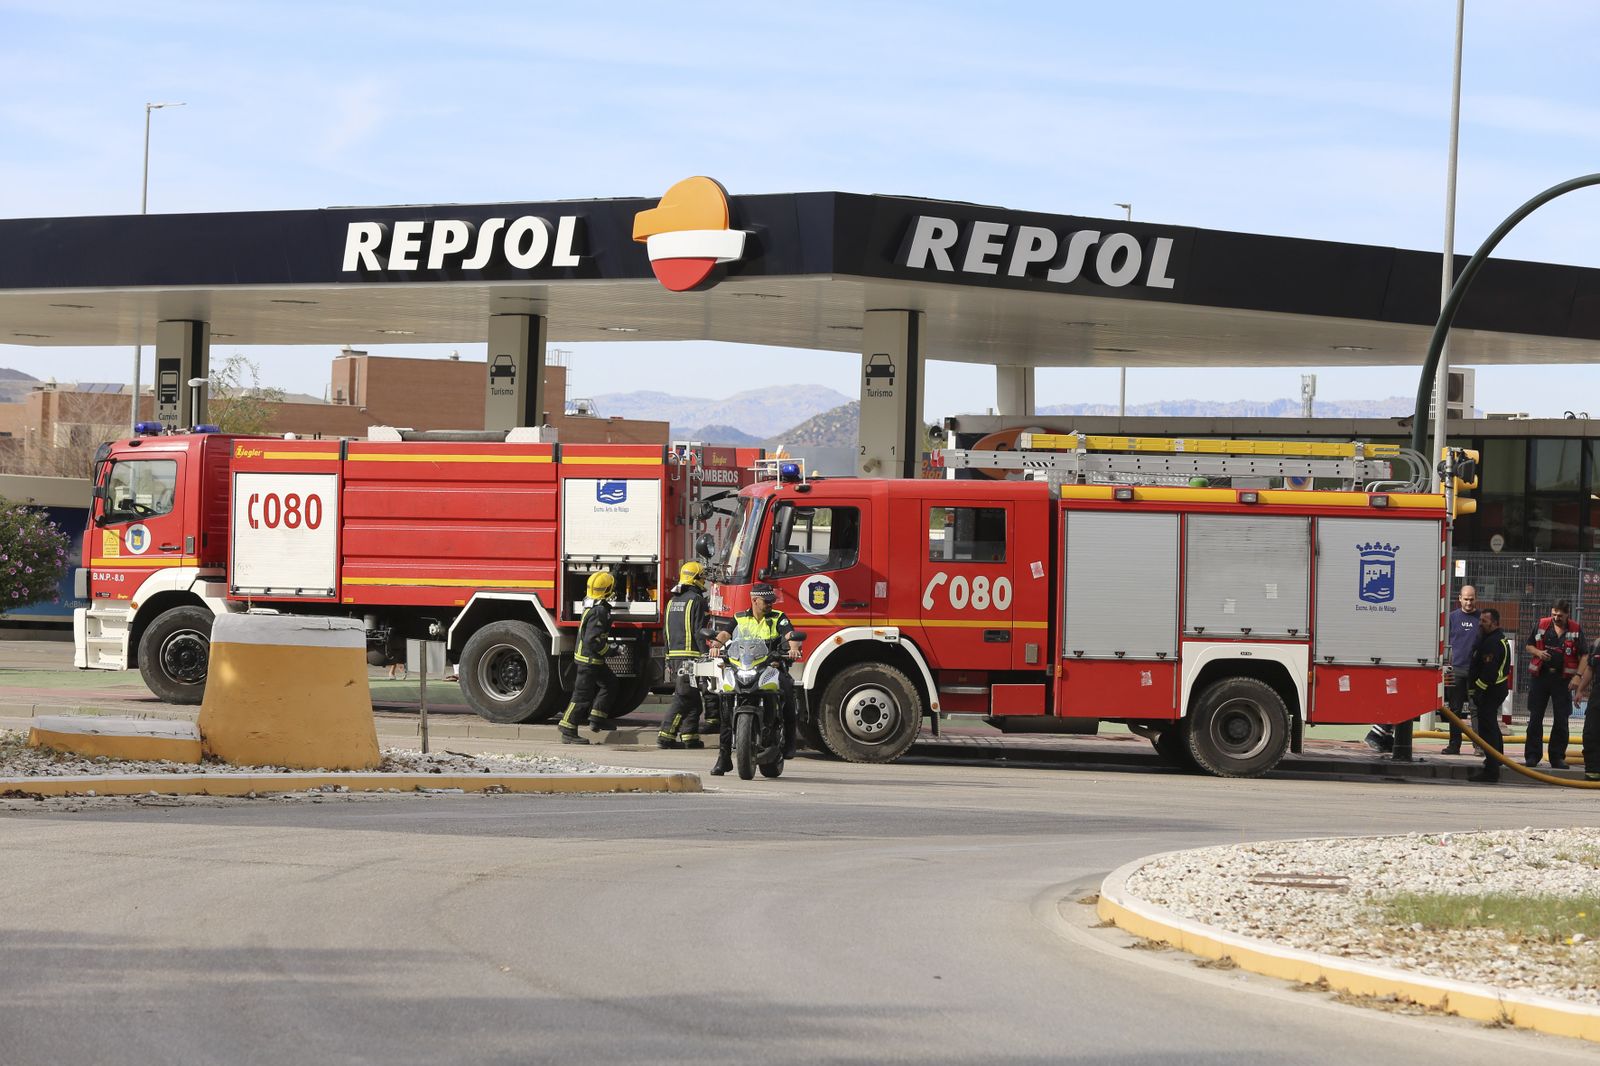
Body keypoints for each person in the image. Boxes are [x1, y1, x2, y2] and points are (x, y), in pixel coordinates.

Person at [709, 583, 802, 775]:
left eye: (771, 601)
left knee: (787, 695)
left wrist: (793, 648)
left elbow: (790, 634)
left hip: (771, 667)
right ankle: (724, 757)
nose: (770, 604)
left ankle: (789, 744)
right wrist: (716, 645)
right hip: (744, 667)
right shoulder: (740, 617)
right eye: (766, 601)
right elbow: (726, 633)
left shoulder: (778, 617)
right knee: (725, 707)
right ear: (754, 600)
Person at [558, 571, 618, 745]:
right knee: (582, 696)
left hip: (592, 660)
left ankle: (597, 719)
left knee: (610, 683)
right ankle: (568, 728)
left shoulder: (592, 605)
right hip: (589, 661)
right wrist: (610, 650)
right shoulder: (599, 611)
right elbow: (593, 640)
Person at [657, 561, 712, 750]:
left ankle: (690, 737)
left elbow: (665, 632)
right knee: (684, 696)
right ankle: (666, 735)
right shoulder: (697, 600)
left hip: (674, 656)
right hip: (691, 658)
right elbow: (700, 631)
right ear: (697, 578)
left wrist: (667, 657)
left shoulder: (673, 601)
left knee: (694, 700)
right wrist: (706, 655)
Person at [1523, 599, 1584, 768]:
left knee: (1561, 719)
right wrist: (1539, 652)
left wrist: (1578, 676)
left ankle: (1557, 757)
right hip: (1540, 678)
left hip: (1563, 681)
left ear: (1567, 615)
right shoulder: (1542, 625)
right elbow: (1529, 646)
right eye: (1554, 614)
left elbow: (1584, 655)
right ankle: (1532, 756)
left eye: (1560, 615)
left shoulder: (1575, 630)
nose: (1556, 618)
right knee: (1535, 717)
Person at [1465, 608, 1511, 784]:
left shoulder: (1492, 643)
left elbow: (1489, 672)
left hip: (1490, 691)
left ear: (1495, 623)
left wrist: (1477, 690)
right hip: (1494, 690)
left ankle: (1491, 770)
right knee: (1491, 726)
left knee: (1487, 728)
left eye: (1485, 621)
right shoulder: (1495, 639)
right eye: (1480, 620)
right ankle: (1497, 759)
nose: (1480, 624)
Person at [1440, 585, 1481, 754]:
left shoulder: (1482, 618)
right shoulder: (1451, 618)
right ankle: (1454, 745)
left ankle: (1479, 746)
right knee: (1455, 709)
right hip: (1456, 669)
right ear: (1459, 598)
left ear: (1476, 598)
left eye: (1471, 599)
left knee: (1476, 709)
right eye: (1466, 599)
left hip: (1476, 672)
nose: (1469, 603)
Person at [1571, 637, 1600, 782]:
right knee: (1591, 733)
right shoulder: (1598, 644)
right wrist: (1580, 690)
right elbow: (1590, 668)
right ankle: (1593, 772)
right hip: (1598, 694)